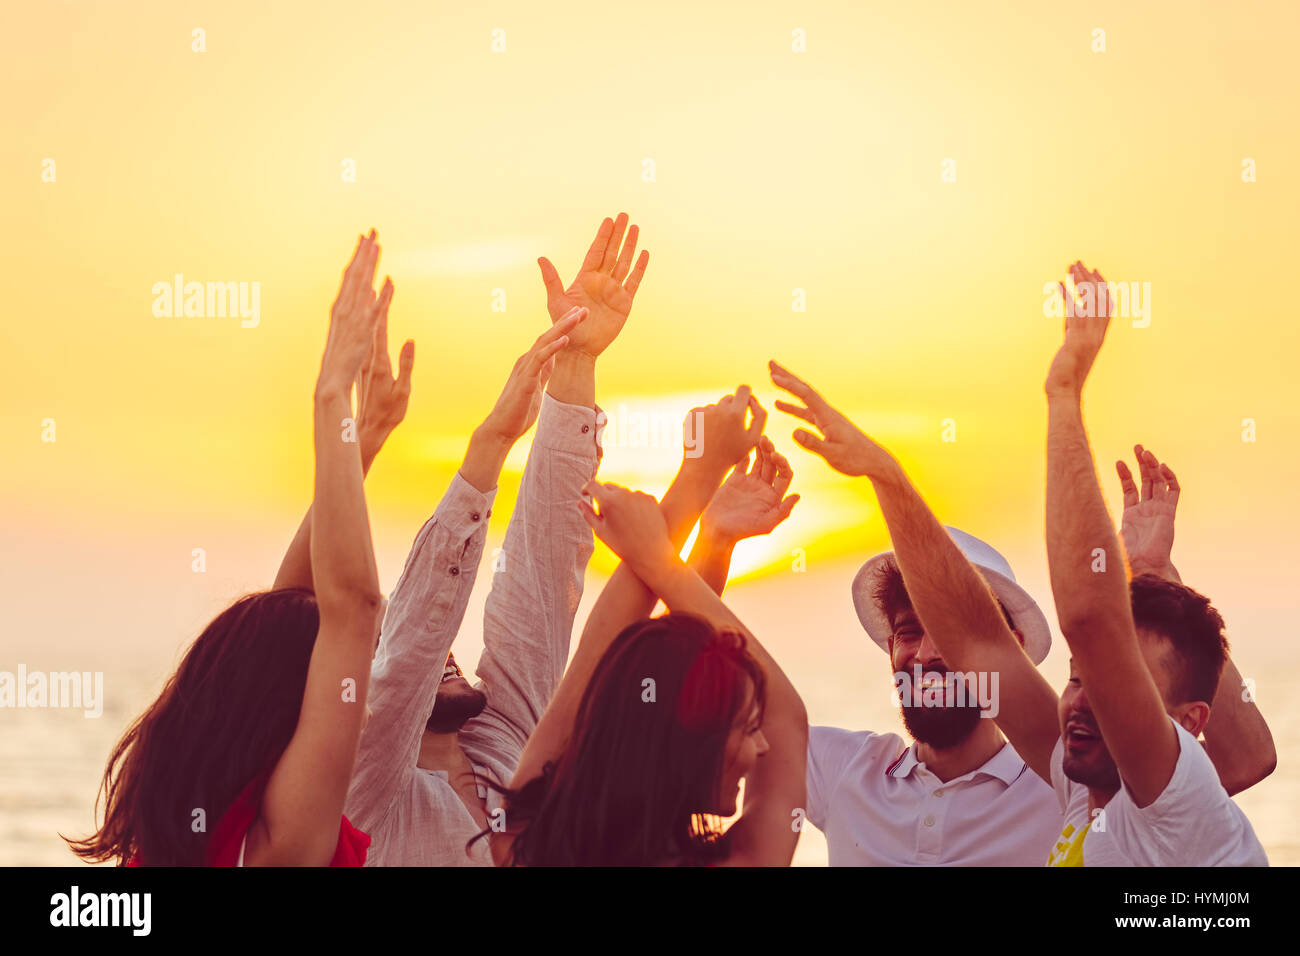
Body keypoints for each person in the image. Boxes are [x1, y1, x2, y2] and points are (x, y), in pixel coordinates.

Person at [768, 260, 1272, 866]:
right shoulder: (1078, 790)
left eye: (1119, 683)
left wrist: (1063, 396)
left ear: (1189, 724)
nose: (1085, 698)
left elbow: (1092, 620)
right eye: (1079, 677)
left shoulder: (1173, 808)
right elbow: (978, 645)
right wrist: (889, 477)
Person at [68, 230, 393, 866]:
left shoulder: (206, 836)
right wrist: (331, 400)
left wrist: (363, 443)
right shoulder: (279, 847)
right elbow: (350, 607)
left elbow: (293, 610)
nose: (360, 695)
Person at [343, 214, 647, 865]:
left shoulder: (505, 740)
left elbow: (543, 573)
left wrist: (576, 362)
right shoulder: (365, 803)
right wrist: (487, 449)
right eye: (383, 636)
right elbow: (410, 656)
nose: (442, 650)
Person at [489, 393, 809, 866]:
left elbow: (596, 670)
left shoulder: (525, 842)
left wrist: (697, 493)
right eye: (746, 727)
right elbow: (789, 721)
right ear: (685, 741)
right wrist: (661, 558)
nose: (760, 746)